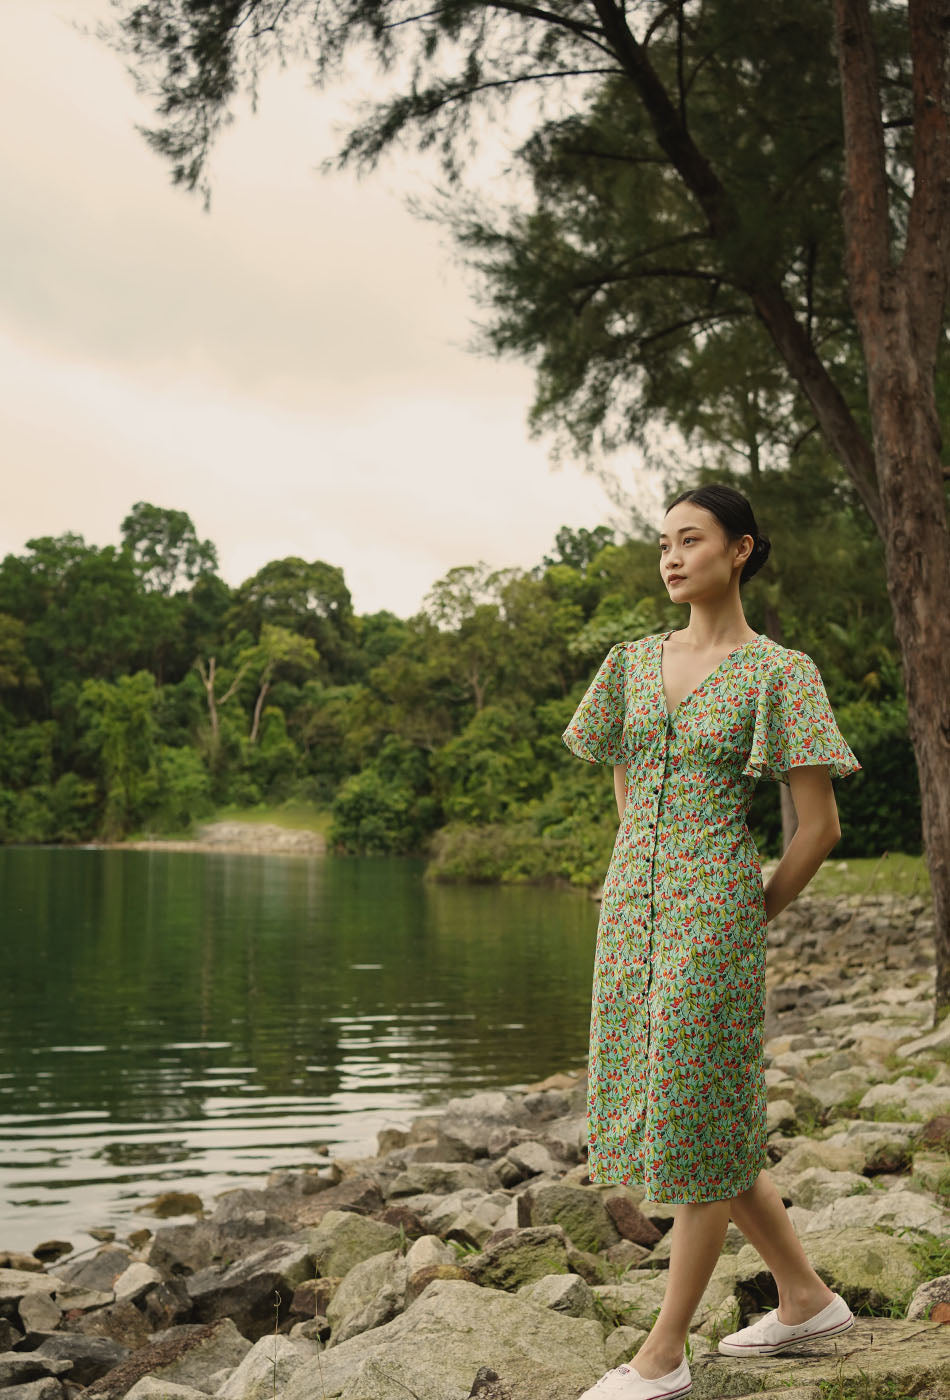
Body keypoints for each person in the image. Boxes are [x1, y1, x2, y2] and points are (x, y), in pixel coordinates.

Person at [562, 484, 862, 1400]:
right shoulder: (628, 663)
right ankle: (805, 1297)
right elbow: (623, 774)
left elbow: (818, 827)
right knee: (701, 1115)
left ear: (741, 550)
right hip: (630, 920)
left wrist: (744, 909)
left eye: (690, 539)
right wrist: (644, 871)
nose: (671, 556)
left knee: (694, 1115)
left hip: (715, 920)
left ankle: (662, 1355)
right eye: (663, 543)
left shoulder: (781, 672)